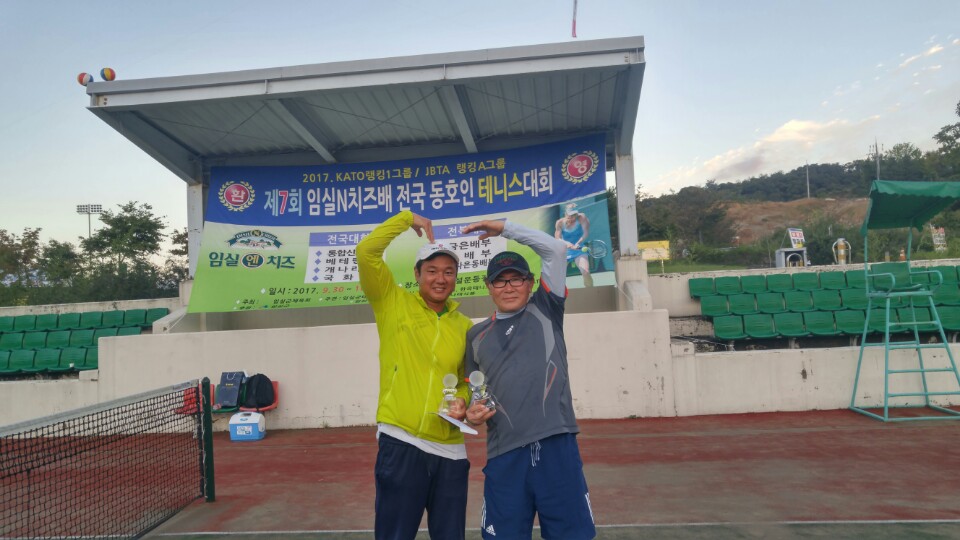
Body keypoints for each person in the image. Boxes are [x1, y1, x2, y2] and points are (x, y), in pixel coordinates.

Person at [461, 218, 596, 540]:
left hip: (557, 448)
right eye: (499, 281)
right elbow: (476, 394)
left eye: (516, 279)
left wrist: (505, 229)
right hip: (504, 456)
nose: (508, 287)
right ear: (488, 286)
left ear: (531, 282)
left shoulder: (547, 308)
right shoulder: (476, 336)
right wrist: (472, 414)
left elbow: (555, 250)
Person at [357, 210, 473, 540]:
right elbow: (366, 251)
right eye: (432, 271)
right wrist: (407, 219)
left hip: (450, 451)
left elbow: (467, 379)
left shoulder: (465, 327)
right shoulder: (391, 302)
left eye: (448, 272)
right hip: (402, 441)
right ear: (417, 274)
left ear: (456, 277)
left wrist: (462, 402)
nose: (440, 278)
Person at [555, 202, 594, 287]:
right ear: (566, 214)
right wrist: (566, 243)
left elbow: (586, 233)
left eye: (574, 214)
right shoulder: (560, 223)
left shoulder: (582, 218)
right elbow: (557, 238)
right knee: (557, 276)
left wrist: (578, 243)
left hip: (579, 249)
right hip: (564, 251)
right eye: (570, 215)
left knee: (586, 272)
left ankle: (591, 290)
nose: (572, 217)